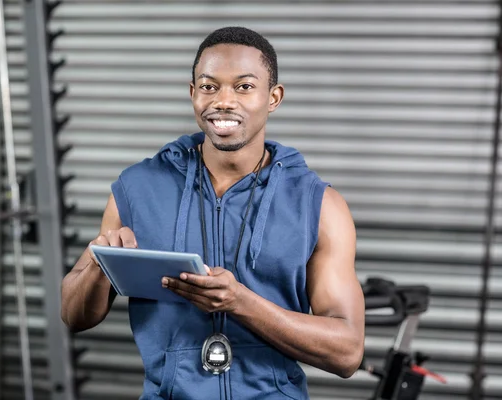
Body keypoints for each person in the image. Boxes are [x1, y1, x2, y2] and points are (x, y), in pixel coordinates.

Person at [61, 26, 365, 399]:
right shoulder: (138, 187)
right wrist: (99, 264)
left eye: (243, 87)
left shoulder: (318, 204)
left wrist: (241, 303)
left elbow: (347, 352)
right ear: (193, 94)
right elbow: (73, 316)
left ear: (273, 97)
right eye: (209, 86)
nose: (223, 101)